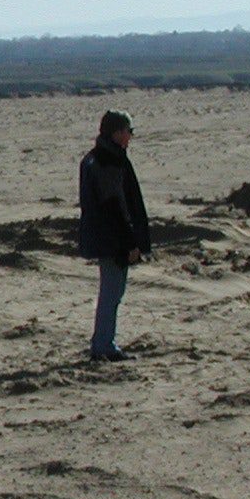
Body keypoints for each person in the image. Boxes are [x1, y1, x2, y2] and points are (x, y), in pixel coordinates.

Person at [77, 109, 151, 362]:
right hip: (112, 241)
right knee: (111, 292)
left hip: (107, 238)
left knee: (111, 292)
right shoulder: (107, 160)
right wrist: (130, 242)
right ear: (117, 132)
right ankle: (103, 345)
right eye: (129, 131)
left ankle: (103, 342)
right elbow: (114, 207)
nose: (130, 137)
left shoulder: (100, 158)